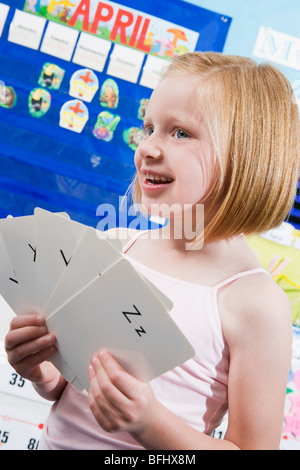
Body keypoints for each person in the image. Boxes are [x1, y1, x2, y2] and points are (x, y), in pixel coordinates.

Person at [5, 52, 300, 450]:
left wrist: (150, 423)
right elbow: (74, 390)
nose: (147, 147)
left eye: (179, 132)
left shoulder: (255, 302)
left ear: (246, 158)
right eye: (148, 128)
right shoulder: (117, 244)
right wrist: (44, 371)